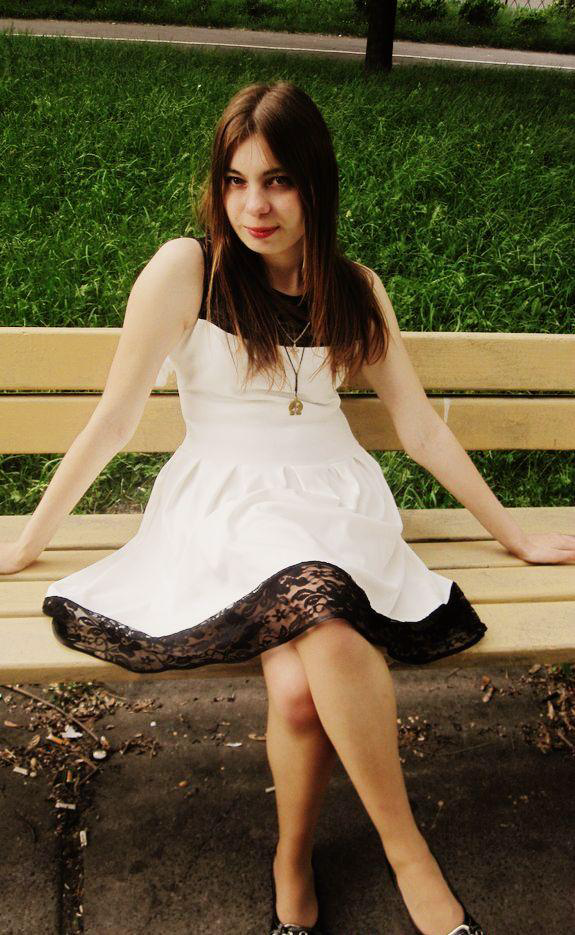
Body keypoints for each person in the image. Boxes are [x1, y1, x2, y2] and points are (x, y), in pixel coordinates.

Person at [3, 80, 574, 935]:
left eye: (277, 180)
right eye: (235, 181)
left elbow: (418, 427)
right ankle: (405, 854)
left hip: (334, 502)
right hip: (227, 507)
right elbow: (115, 419)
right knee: (325, 622)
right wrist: (27, 543)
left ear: (315, 184)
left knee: (304, 689)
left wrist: (515, 536)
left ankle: (295, 861)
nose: (253, 206)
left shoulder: (353, 287)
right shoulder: (187, 270)